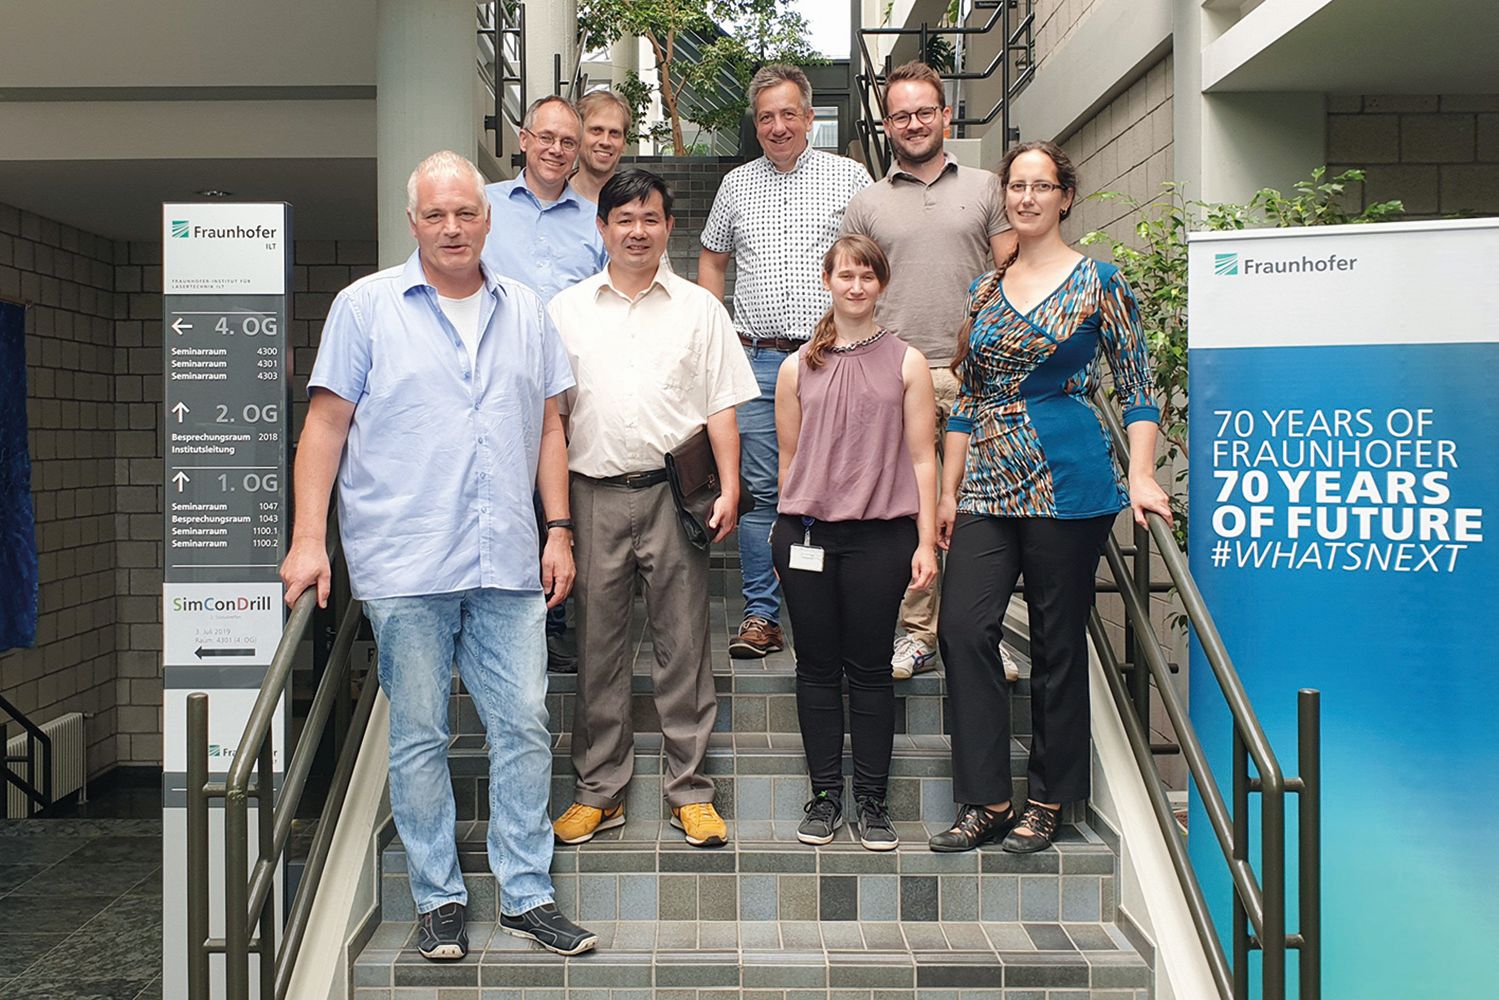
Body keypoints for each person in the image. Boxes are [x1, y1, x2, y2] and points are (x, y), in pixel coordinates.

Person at [279, 151, 596, 957]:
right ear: (413, 221)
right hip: (406, 559)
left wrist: (558, 528)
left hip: (507, 560)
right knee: (419, 733)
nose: (452, 228)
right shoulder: (365, 307)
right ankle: (438, 899)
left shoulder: (526, 309)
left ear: (488, 219)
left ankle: (526, 894)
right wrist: (309, 541)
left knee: (522, 724)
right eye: (435, 215)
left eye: (465, 213)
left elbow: (550, 426)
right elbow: (324, 427)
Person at [928, 140, 1171, 854]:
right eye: (1016, 186)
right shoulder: (982, 289)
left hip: (1070, 483)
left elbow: (1137, 389)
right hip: (987, 483)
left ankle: (1047, 799)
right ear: (1004, 195)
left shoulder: (1101, 281)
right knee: (963, 630)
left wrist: (1143, 473)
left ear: (1065, 196)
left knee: (1056, 642)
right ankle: (987, 799)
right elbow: (967, 401)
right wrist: (948, 491)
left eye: (1041, 186)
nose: (1027, 197)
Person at [547, 169, 759, 849]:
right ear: (602, 227)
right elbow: (552, 418)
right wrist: (553, 520)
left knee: (683, 645)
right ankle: (598, 791)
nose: (636, 231)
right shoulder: (566, 310)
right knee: (597, 646)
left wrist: (729, 485)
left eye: (649, 219)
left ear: (670, 227)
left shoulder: (699, 308)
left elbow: (721, 404)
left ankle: (690, 792)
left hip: (676, 498)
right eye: (623, 219)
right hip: (592, 494)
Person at [840, 60, 1019, 683]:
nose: (913, 124)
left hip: (974, 376)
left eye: (924, 112)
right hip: (897, 373)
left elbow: (1013, 276)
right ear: (886, 125)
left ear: (946, 115)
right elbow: (851, 288)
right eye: (900, 115)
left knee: (976, 510)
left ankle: (978, 630)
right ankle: (917, 632)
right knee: (911, 511)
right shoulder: (866, 201)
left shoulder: (988, 189)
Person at [698, 63, 872, 660]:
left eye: (787, 114)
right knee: (763, 493)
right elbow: (713, 260)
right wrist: (718, 333)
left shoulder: (851, 178)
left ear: (810, 117)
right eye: (766, 116)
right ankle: (760, 615)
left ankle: (838, 606)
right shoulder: (735, 185)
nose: (777, 126)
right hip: (758, 364)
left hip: (834, 358)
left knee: (842, 485)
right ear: (757, 123)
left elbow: (873, 261)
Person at [771, 234, 938, 851]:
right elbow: (790, 459)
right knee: (815, 668)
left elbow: (924, 459)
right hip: (808, 535)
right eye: (846, 275)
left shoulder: (907, 362)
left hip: (882, 538)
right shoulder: (797, 366)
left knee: (869, 670)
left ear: (882, 285)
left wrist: (925, 543)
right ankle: (824, 798)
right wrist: (792, 523)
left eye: (868, 276)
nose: (856, 286)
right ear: (828, 281)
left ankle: (871, 802)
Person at [483, 95, 608, 672]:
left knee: (555, 502)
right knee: (499, 496)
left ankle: (552, 623)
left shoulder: (594, 222)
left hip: (571, 387)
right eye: (547, 138)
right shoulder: (482, 208)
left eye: (568, 142)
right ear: (524, 138)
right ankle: (492, 616)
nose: (557, 150)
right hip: (489, 380)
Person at [570, 89, 632, 205]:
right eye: (596, 130)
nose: (605, 142)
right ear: (577, 136)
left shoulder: (636, 205)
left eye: (614, 133)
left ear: (624, 143)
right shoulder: (551, 198)